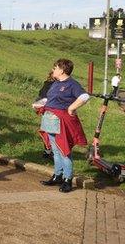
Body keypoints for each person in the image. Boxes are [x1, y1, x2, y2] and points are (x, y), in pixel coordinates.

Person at [38, 59, 89, 193]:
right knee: (55, 151)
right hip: (50, 120)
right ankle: (57, 176)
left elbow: (84, 96)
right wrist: (41, 103)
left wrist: (71, 108)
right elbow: (51, 99)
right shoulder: (55, 83)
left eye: (55, 68)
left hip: (61, 122)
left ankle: (68, 180)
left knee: (64, 151)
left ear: (62, 70)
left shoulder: (72, 84)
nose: (53, 70)